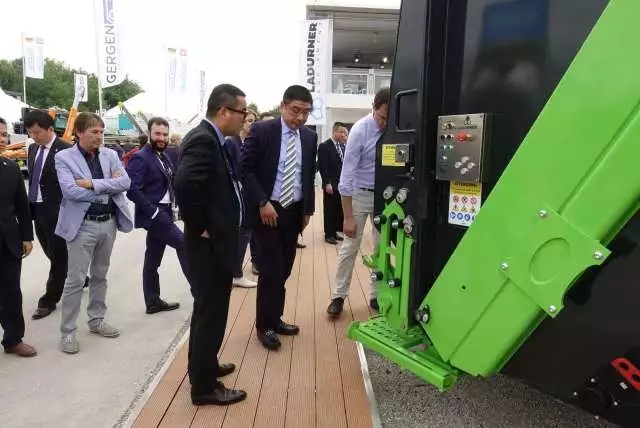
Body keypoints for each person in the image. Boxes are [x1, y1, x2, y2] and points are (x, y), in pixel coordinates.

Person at [174, 83, 247, 406]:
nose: (244, 118)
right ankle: (204, 387)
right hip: (208, 244)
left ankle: (205, 364)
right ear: (224, 111)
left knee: (210, 309)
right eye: (242, 111)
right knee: (210, 312)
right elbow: (185, 184)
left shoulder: (214, 139)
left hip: (217, 241)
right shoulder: (204, 139)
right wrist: (200, 226)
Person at [240, 85, 317, 350]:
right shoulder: (263, 130)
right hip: (267, 210)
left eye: (306, 112)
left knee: (284, 269)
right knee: (271, 270)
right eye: (295, 110)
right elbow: (245, 169)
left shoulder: (309, 137)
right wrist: (262, 202)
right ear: (282, 106)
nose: (300, 117)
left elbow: (308, 175)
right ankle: (265, 326)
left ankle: (276, 317)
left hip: (293, 211)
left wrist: (307, 210)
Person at [54, 112, 133, 354]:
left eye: (101, 131)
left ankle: (96, 320)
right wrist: (108, 186)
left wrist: (91, 183)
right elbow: (69, 191)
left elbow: (126, 183)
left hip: (108, 223)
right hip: (82, 225)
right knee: (76, 280)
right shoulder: (64, 157)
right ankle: (68, 332)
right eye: (94, 132)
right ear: (79, 132)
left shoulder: (111, 155)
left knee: (100, 275)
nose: (99, 136)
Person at [326, 87, 390, 317]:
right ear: (373, 108)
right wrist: (348, 217)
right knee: (350, 246)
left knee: (382, 247)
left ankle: (376, 294)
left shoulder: (394, 127)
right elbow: (346, 177)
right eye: (382, 117)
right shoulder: (360, 131)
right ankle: (338, 296)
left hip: (386, 196)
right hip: (360, 194)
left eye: (389, 118)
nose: (385, 123)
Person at [126, 117, 185, 313]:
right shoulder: (140, 157)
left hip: (166, 211)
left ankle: (152, 301)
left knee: (152, 259)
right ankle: (201, 295)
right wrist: (154, 212)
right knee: (184, 245)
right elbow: (132, 190)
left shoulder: (163, 156)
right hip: (156, 214)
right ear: (149, 133)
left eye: (165, 134)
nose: (162, 138)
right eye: (157, 134)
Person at [24, 109, 73, 320]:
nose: (34, 136)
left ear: (50, 129)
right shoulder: (33, 148)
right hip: (37, 208)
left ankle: (49, 299)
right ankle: (76, 275)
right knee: (48, 249)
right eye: (30, 133)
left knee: (58, 253)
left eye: (37, 132)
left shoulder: (66, 150)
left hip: (58, 211)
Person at [0, 117, 37, 357]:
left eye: (4, 134)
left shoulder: (10, 168)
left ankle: (13, 339)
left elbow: (22, 207)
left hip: (8, 242)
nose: (3, 139)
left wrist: (26, 237)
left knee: (11, 293)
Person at [226, 110, 258, 288]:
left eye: (254, 121)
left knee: (246, 232)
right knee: (243, 232)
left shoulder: (251, 142)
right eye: (249, 121)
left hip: (249, 192)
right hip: (237, 193)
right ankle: (236, 273)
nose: (252, 124)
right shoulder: (232, 143)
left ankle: (235, 271)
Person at [317, 122, 348, 244]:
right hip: (330, 184)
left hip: (340, 184)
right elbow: (323, 166)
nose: (344, 135)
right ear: (334, 132)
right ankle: (328, 235)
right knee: (329, 210)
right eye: (342, 132)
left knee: (337, 209)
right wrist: (327, 183)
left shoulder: (341, 146)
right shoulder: (325, 146)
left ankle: (334, 232)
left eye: (345, 133)